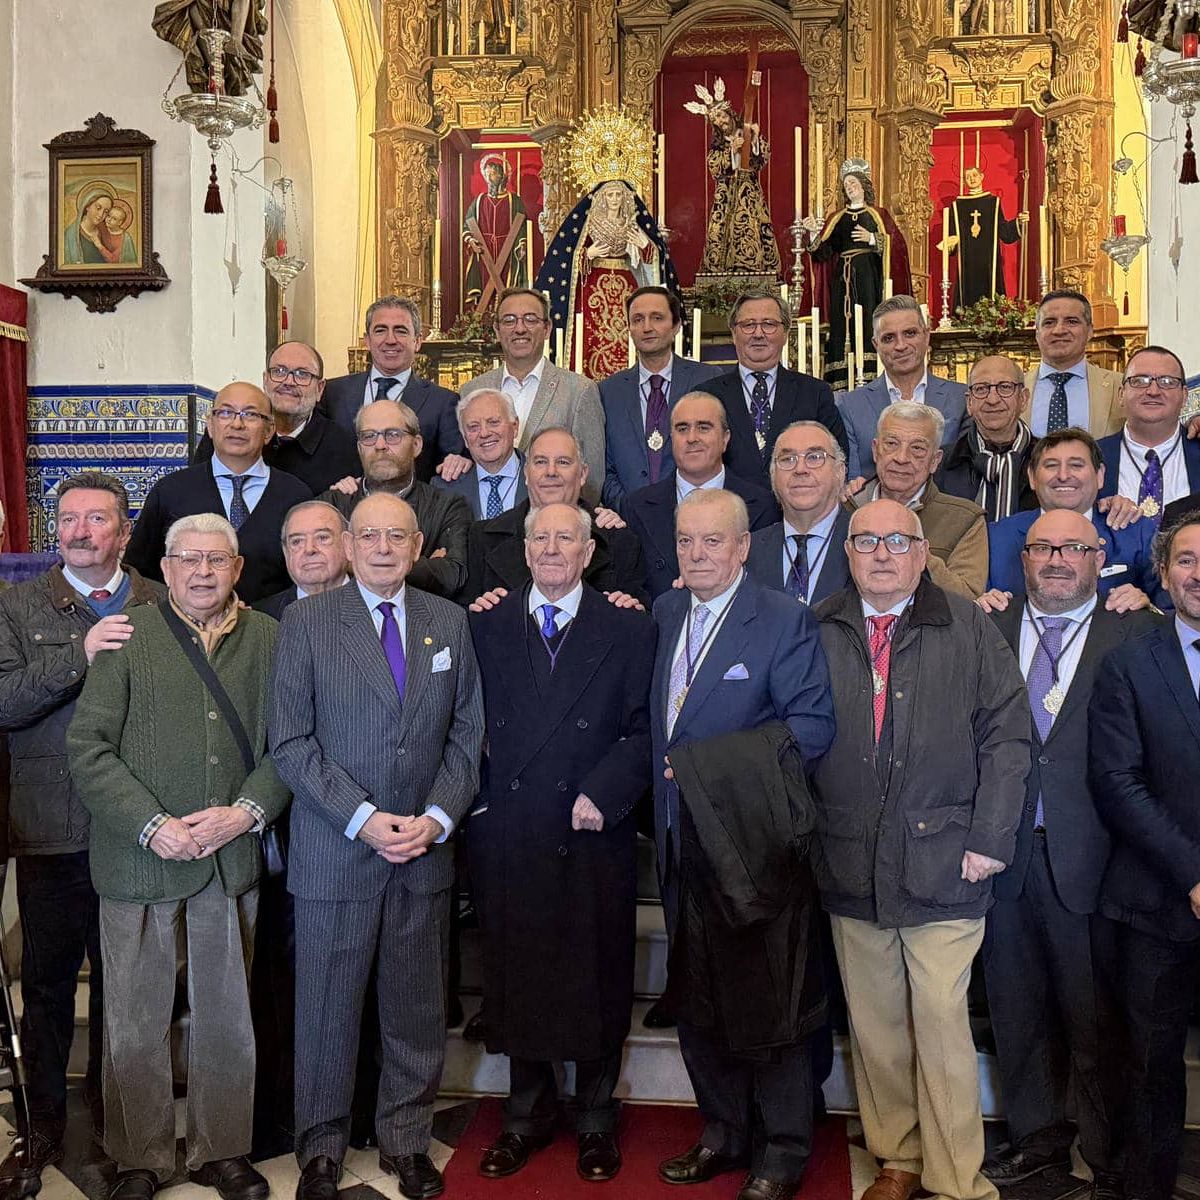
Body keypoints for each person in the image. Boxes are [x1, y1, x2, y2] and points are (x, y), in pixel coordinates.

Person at [811, 498, 1029, 1200]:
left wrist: (993, 837)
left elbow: (1008, 735)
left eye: (897, 540)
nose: (881, 553)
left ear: (921, 552)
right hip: (848, 861)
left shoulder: (967, 624)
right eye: (865, 540)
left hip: (946, 863)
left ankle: (958, 1179)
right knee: (875, 1030)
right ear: (846, 552)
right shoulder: (817, 627)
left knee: (940, 1027)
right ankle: (898, 1159)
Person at [67, 512, 289, 1200]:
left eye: (215, 561)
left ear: (237, 570)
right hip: (141, 863)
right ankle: (142, 1157)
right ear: (164, 569)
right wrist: (151, 824)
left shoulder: (270, 639)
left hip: (228, 860)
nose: (201, 572)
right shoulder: (127, 639)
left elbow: (292, 741)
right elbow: (88, 747)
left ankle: (223, 1150)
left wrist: (246, 812)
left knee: (230, 1019)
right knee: (135, 1021)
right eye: (187, 559)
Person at [270, 492, 484, 1200]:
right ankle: (322, 1150)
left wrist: (438, 817)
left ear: (418, 545)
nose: (384, 547)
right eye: (370, 536)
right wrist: (362, 818)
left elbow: (466, 735)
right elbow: (291, 745)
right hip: (336, 853)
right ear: (349, 545)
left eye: (398, 535)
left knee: (416, 1008)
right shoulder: (304, 623)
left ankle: (405, 1140)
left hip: (423, 851)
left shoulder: (448, 621)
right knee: (327, 1010)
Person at [651, 489, 835, 1200]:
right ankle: (722, 1133)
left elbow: (811, 729)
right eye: (686, 541)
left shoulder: (784, 619)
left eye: (711, 542)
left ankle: (783, 1149)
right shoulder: (667, 612)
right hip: (676, 842)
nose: (697, 554)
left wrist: (705, 772)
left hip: (753, 851)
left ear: (741, 547)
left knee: (772, 1005)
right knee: (697, 1001)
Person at [467, 502, 654, 1183]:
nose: (551, 548)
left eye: (564, 539)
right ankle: (525, 1115)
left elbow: (643, 729)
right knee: (517, 973)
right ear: (523, 550)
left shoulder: (628, 628)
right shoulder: (483, 623)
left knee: (595, 971)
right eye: (539, 537)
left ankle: (597, 1116)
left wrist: (605, 792)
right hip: (511, 831)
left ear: (588, 551)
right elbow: (463, 724)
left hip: (591, 827)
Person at [978, 509, 1153, 1196]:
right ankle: (1037, 1140)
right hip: (1005, 854)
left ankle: (1110, 1151)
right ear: (1021, 559)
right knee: (1016, 1011)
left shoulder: (1136, 631)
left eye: (1073, 548)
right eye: (1042, 547)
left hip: (1098, 858)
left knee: (1097, 1016)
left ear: (1098, 556)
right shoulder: (986, 626)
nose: (1056, 559)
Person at [0, 473, 164, 1192]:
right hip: (52, 831)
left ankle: (113, 1123)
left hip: (136, 831)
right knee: (45, 985)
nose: (81, 529)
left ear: (124, 532)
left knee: (128, 990)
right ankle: (41, 1125)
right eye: (69, 519)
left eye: (98, 518)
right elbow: (3, 703)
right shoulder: (15, 605)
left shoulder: (161, 600)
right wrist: (81, 652)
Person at [1088, 512, 1200, 1200]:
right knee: (1149, 1069)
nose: (1199, 575)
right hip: (1157, 904)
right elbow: (1117, 782)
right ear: (1163, 574)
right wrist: (1193, 873)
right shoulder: (1130, 660)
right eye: (1186, 560)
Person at [125, 382, 311, 603]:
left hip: (274, 630)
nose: (237, 424)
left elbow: (307, 576)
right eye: (225, 413)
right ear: (210, 426)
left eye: (250, 415)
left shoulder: (295, 496)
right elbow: (138, 573)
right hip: (185, 631)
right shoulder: (170, 491)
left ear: (269, 430)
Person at [461, 427, 647, 606]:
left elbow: (639, 621)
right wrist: (480, 614)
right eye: (541, 462)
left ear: (582, 474)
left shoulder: (620, 542)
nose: (551, 472)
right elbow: (462, 624)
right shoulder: (482, 539)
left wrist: (630, 611)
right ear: (526, 473)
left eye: (563, 462)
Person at [985, 427, 1167, 610]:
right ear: (1032, 477)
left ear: (1100, 475)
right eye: (1051, 466)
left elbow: (1174, 612)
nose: (1063, 476)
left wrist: (1147, 607)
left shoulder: (1137, 533)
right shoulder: (996, 537)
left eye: (1076, 465)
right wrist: (981, 605)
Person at [455, 289, 606, 502]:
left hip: (552, 524)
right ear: (497, 330)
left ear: (547, 329)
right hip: (487, 521)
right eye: (509, 320)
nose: (519, 329)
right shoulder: (472, 390)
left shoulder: (579, 390)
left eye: (530, 319)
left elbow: (592, 479)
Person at [624, 391, 777, 598]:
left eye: (704, 427)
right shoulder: (637, 506)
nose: (692, 438)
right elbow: (632, 588)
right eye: (682, 428)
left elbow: (765, 584)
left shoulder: (762, 504)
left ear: (725, 439)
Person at [318, 400, 471, 599]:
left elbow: (452, 576)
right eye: (369, 436)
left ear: (416, 445)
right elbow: (318, 568)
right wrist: (421, 564)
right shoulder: (331, 506)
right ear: (359, 447)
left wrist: (350, 562)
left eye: (393, 435)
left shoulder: (446, 506)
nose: (380, 445)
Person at [698, 287, 848, 487]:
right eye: (748, 325)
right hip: (728, 511)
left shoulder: (815, 393)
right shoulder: (707, 396)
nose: (758, 333)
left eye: (769, 324)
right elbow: (696, 461)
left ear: (785, 333)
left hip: (797, 511)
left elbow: (838, 459)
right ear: (734, 334)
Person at [849, 402, 989, 598]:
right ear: (875, 450)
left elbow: (967, 599)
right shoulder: (846, 509)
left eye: (917, 448)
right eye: (891, 444)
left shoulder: (965, 519)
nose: (902, 458)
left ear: (935, 460)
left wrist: (917, 551)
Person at [318, 297, 464, 482]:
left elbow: (450, 468)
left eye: (400, 331)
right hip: (342, 505)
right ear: (367, 341)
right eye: (380, 331)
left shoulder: (443, 402)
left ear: (417, 341)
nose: (390, 340)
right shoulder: (333, 393)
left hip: (412, 508)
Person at [600, 286, 721, 511]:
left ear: (676, 326)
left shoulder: (709, 380)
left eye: (657, 318)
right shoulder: (608, 391)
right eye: (638, 319)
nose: (647, 327)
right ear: (629, 328)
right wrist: (629, 508)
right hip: (628, 521)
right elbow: (603, 466)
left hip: (699, 514)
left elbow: (723, 450)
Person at [196, 343, 361, 497]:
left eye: (302, 374)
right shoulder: (231, 432)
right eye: (279, 371)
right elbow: (197, 490)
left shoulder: (343, 447)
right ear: (265, 380)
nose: (288, 382)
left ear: (319, 388)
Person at [803, 160, 912, 391]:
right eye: (846, 184)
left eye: (853, 182)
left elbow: (898, 247)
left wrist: (872, 238)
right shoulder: (838, 217)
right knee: (841, 322)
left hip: (867, 276)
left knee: (868, 318)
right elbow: (823, 253)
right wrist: (813, 232)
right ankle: (840, 377)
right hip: (842, 277)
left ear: (863, 186)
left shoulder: (877, 214)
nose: (850, 187)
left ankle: (871, 371)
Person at [837, 296, 966, 481]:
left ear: (926, 335)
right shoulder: (850, 405)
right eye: (889, 338)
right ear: (876, 345)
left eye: (910, 333)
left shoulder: (959, 398)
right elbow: (854, 483)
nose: (900, 345)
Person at [683, 77, 780, 277]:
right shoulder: (718, 146)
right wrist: (730, 151)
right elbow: (715, 169)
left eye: (721, 115)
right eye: (715, 119)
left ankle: (755, 271)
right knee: (721, 236)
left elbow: (761, 161)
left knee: (751, 230)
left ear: (729, 113)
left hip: (749, 195)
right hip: (726, 198)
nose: (720, 121)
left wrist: (753, 141)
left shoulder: (745, 132)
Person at [747, 421, 852, 604]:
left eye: (815, 457)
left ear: (840, 472)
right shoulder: (746, 550)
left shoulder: (869, 545)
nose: (800, 469)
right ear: (773, 477)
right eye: (788, 459)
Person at [1096, 344, 1200, 519]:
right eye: (1139, 381)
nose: (1153, 391)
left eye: (1167, 382)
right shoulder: (1093, 457)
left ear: (1184, 396)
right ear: (1121, 394)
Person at [936, 356, 1038, 520]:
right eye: (981, 389)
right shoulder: (940, 463)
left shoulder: (1046, 460)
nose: (992, 399)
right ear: (969, 402)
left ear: (1023, 399)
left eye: (1005, 387)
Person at [1024, 292, 1122, 438]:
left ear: (1089, 331)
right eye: (1049, 322)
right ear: (1037, 333)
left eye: (1071, 321)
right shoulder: (1015, 388)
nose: (1059, 330)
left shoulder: (1120, 386)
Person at [431, 388, 527, 519]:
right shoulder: (444, 488)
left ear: (515, 427)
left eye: (493, 422)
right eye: (473, 427)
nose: (484, 433)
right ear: (465, 438)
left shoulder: (542, 479)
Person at [943, 165, 1024, 309]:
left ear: (981, 177)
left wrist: (1018, 222)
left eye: (974, 175)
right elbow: (952, 234)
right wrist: (950, 242)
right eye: (968, 177)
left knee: (990, 286)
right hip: (967, 260)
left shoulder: (993, 202)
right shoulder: (957, 206)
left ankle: (992, 315)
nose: (971, 179)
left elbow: (1003, 229)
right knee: (967, 287)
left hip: (989, 259)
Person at [255, 501, 350, 619]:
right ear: (286, 552)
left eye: (322, 537)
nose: (309, 549)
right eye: (297, 541)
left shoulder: (376, 600)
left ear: (348, 545)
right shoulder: (261, 618)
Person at [462, 153, 528, 310]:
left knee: (506, 284)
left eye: (493, 173)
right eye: (487, 173)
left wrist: (522, 246)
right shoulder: (479, 201)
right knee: (485, 285)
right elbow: (467, 226)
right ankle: (484, 315)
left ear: (502, 175)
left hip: (508, 249)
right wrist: (471, 241)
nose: (489, 177)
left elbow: (523, 229)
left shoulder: (514, 201)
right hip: (485, 250)